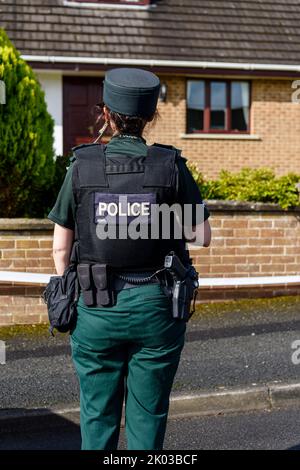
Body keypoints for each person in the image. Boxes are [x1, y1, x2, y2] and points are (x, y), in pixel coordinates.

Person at [48, 68, 211, 451]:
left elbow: (60, 248)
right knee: (148, 413)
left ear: (106, 113)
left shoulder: (82, 166)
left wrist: (67, 290)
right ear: (151, 116)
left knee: (96, 414)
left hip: (94, 306)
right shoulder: (171, 167)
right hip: (157, 308)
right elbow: (201, 237)